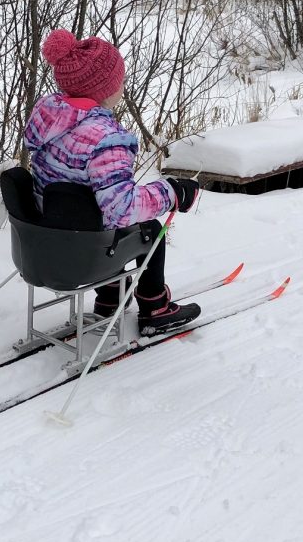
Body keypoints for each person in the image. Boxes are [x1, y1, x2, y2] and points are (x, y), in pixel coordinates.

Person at [23, 28, 201, 333]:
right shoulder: (106, 139)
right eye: (119, 79)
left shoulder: (47, 118)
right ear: (104, 89)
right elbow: (121, 210)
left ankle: (110, 296)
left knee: (89, 211)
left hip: (43, 244)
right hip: (83, 254)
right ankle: (155, 306)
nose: (123, 84)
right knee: (149, 230)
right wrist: (171, 192)